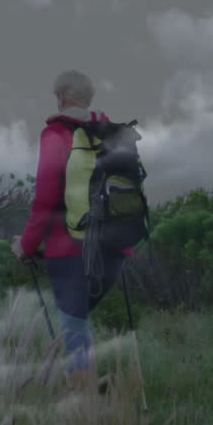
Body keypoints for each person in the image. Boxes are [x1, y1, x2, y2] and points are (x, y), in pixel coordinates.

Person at [11, 69, 134, 393]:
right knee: (78, 322)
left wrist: (25, 246)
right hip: (116, 248)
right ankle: (94, 386)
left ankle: (86, 404)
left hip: (72, 249)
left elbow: (46, 200)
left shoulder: (56, 136)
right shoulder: (113, 134)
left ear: (60, 97)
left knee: (72, 325)